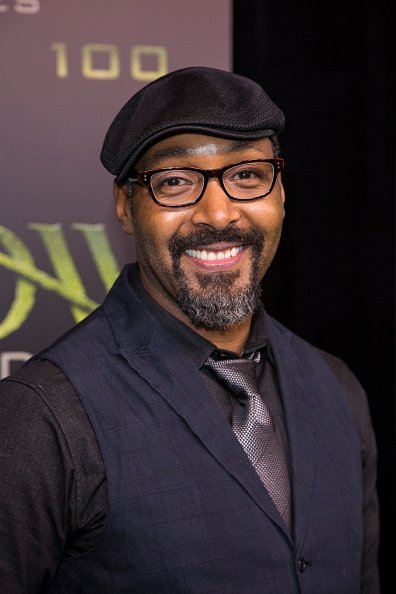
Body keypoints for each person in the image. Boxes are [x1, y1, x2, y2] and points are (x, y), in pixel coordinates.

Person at [0, 66, 380, 593]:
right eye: (176, 181)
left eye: (247, 175)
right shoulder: (40, 416)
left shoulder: (336, 388)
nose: (219, 213)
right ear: (125, 207)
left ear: (281, 193)